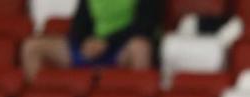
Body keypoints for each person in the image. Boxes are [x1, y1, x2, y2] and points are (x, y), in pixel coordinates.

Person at [20, 0, 161, 79]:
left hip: (120, 49)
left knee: (141, 48)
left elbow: (144, 26)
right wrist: (85, 42)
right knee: (31, 47)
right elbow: (78, 25)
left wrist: (107, 42)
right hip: (90, 47)